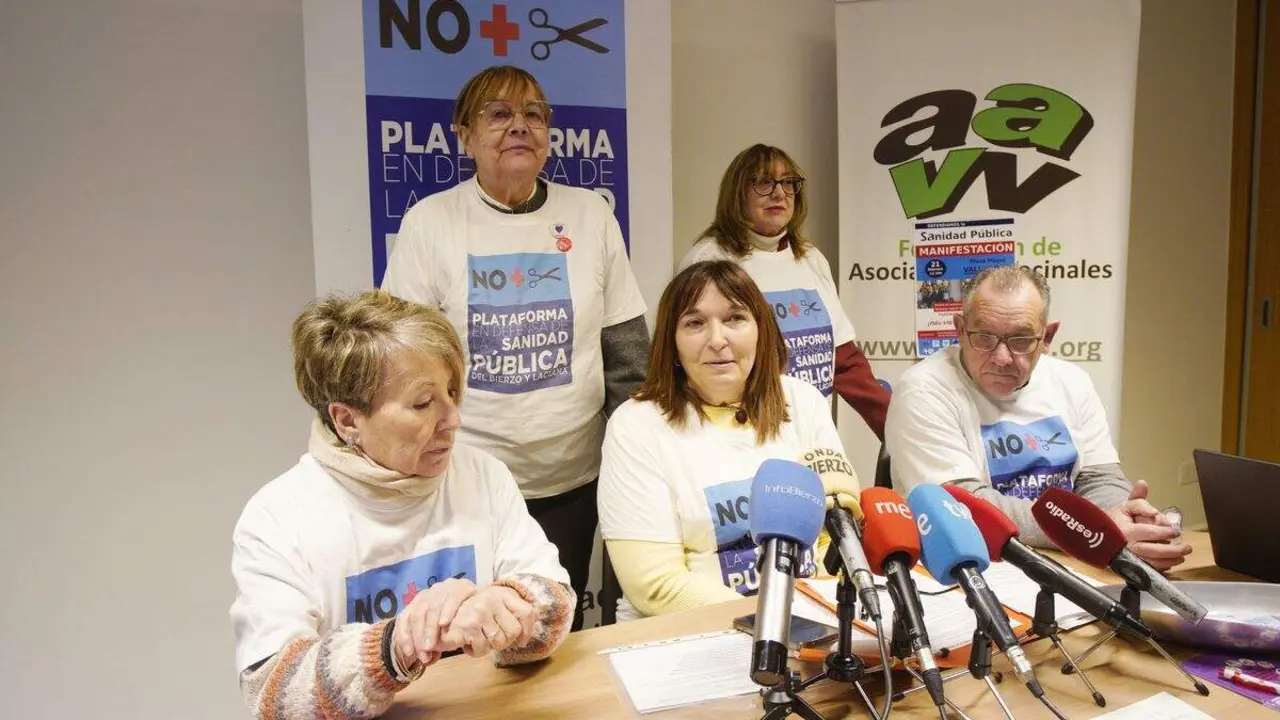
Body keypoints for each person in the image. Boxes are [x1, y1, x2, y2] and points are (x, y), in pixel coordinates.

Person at [382, 65, 649, 629]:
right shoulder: (431, 223)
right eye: (499, 114)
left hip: (573, 479)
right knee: (474, 640)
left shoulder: (591, 215)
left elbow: (627, 355)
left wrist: (635, 464)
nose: (519, 126)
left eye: (533, 114)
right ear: (464, 133)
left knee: (555, 631)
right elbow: (404, 367)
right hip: (466, 483)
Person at [230, 291, 574, 718]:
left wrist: (506, 606)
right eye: (424, 403)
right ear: (348, 420)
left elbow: (556, 604)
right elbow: (276, 696)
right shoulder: (278, 518)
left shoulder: (481, 475)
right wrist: (399, 643)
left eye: (452, 392)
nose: (453, 419)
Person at [885, 266, 1191, 570]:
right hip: (971, 567)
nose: (1002, 357)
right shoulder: (923, 389)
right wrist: (1090, 529)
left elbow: (1098, 479)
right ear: (960, 330)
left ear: (1047, 336)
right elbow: (964, 505)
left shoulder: (1072, 381)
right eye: (984, 337)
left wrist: (1128, 519)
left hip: (1067, 558)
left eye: (1020, 340)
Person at [598, 261, 849, 621]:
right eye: (695, 323)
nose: (717, 340)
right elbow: (655, 585)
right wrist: (774, 623)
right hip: (685, 636)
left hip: (808, 624)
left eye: (735, 318)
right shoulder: (636, 426)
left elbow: (831, 541)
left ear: (761, 329)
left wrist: (820, 619)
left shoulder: (803, 401)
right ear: (672, 341)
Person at [679, 144, 890, 440]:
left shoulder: (810, 258)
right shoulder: (710, 260)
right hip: (743, 437)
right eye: (764, 183)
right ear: (737, 192)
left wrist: (898, 430)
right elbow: (691, 363)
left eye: (789, 182)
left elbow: (844, 360)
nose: (779, 194)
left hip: (811, 433)